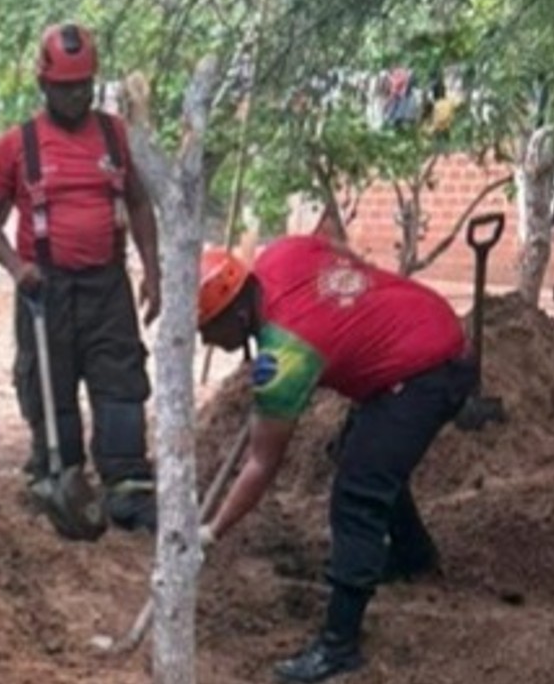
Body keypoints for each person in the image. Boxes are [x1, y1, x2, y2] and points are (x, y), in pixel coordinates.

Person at [197, 236, 473, 682]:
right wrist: (355, 315)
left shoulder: (286, 358)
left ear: (237, 314)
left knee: (357, 494)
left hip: (428, 370)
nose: (206, 339)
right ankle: (413, 555)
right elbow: (341, 251)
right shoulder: (280, 254)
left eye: (208, 327)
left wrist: (211, 532)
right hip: (426, 321)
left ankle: (339, 645)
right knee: (363, 455)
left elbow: (261, 465)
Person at [0, 23, 162, 533]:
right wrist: (16, 267)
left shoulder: (117, 136)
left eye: (83, 85)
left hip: (108, 285)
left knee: (120, 381)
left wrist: (152, 271)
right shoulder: (16, 145)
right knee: (47, 382)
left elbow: (140, 203)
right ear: (43, 84)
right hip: (44, 288)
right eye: (65, 86)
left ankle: (127, 484)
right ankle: (60, 475)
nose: (76, 95)